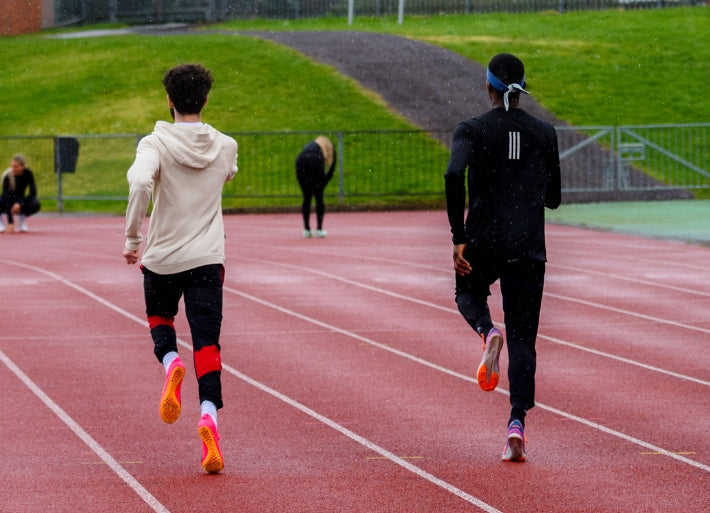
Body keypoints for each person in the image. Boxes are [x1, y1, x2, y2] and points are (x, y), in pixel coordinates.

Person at [444, 53, 561, 462]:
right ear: (522, 89)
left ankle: (487, 331)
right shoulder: (545, 133)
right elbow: (555, 200)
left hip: (484, 241)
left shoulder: (471, 130)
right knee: (525, 340)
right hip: (528, 246)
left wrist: (458, 236)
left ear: (488, 88)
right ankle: (516, 425)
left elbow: (452, 174)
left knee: (466, 291)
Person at [123, 64, 238, 473]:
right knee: (208, 345)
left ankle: (171, 363)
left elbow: (139, 184)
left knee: (160, 319)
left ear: (168, 100)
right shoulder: (226, 145)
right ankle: (209, 416)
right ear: (205, 100)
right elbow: (226, 175)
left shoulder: (153, 144)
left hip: (163, 259)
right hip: (207, 258)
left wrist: (133, 239)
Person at [295, 136, 336, 238]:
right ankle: (319, 229)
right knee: (319, 197)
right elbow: (331, 168)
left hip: (300, 160)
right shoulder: (329, 149)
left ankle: (307, 229)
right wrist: (322, 183)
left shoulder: (311, 145)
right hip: (315, 160)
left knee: (307, 197)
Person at [1, 155, 40, 233]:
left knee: (35, 204)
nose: (13, 169)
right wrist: (10, 222)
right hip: (8, 200)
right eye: (12, 166)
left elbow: (33, 193)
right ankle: (0, 224)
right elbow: (6, 197)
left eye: (16, 167)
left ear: (23, 166)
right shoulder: (8, 176)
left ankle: (22, 220)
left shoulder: (28, 173)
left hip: (20, 199)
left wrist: (20, 203)